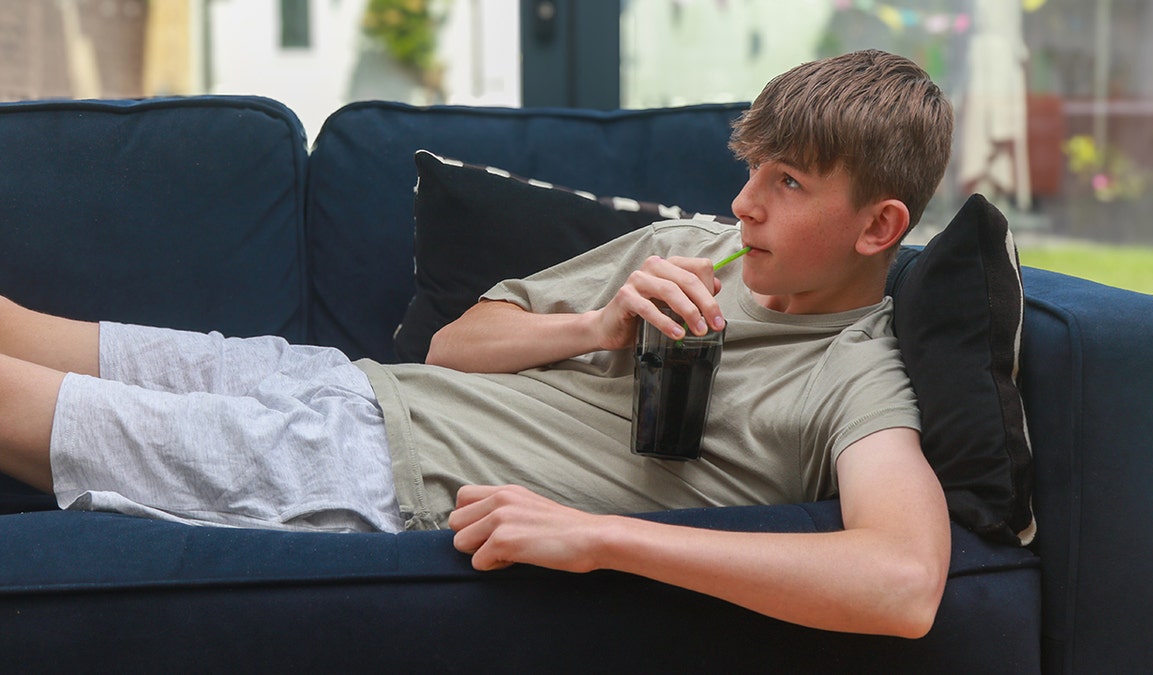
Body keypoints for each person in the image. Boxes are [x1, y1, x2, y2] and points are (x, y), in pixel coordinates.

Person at [0, 49, 952, 638]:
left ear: (878, 227)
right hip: (354, 384)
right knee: (24, 332)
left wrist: (598, 537)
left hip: (371, 474)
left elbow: (904, 584)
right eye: (753, 170)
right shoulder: (683, 250)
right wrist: (596, 325)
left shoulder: (854, 370)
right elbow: (453, 347)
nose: (745, 203)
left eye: (788, 183)